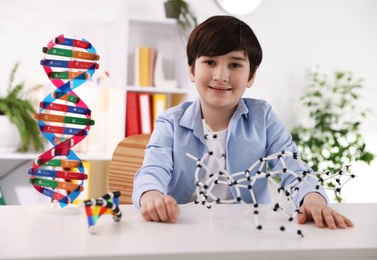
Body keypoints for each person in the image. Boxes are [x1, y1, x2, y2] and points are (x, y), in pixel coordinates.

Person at [132, 15, 354, 229]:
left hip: (249, 232)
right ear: (191, 70)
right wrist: (151, 195)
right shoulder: (170, 122)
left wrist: (312, 197)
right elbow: (152, 171)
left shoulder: (263, 118)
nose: (221, 76)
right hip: (181, 229)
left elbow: (293, 169)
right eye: (210, 62)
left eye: (235, 65)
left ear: (251, 76)